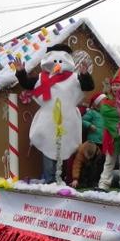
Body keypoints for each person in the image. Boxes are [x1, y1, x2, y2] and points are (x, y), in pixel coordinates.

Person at [14, 44, 94, 183]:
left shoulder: (74, 78)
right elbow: (27, 83)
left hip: (68, 121)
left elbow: (88, 86)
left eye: (60, 61)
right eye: (55, 61)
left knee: (65, 150)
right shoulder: (41, 78)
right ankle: (49, 180)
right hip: (48, 122)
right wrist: (21, 72)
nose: (57, 64)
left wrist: (85, 75)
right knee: (48, 148)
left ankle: (60, 179)